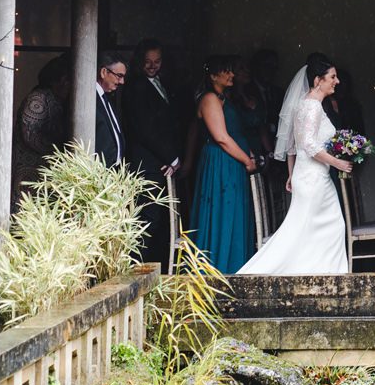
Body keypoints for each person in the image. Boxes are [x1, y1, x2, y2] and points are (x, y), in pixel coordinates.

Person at [240, 54, 354, 275]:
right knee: (324, 229)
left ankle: (320, 275)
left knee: (309, 230)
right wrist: (337, 162)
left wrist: (291, 174)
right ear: (318, 80)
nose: (337, 81)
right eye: (332, 77)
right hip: (314, 178)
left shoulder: (305, 104)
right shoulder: (312, 107)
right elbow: (309, 145)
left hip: (308, 176)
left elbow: (292, 146)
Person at [187, 56, 257, 273]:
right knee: (222, 214)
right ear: (213, 76)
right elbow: (221, 137)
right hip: (221, 164)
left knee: (233, 214)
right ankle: (220, 268)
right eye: (226, 71)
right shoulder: (209, 99)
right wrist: (247, 160)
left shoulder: (223, 98)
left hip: (231, 163)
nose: (232, 75)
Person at [122, 40, 180, 264]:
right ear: (139, 62)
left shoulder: (162, 84)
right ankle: (138, 268)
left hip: (160, 162)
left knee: (158, 219)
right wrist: (172, 158)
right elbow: (144, 129)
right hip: (146, 163)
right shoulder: (135, 87)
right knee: (147, 218)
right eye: (147, 62)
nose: (152, 66)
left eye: (157, 62)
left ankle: (155, 266)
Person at [14, 55, 71, 202]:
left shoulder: (57, 100)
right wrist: (57, 151)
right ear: (61, 80)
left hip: (47, 168)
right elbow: (29, 134)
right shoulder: (38, 98)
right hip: (31, 167)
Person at [92, 52, 128, 166]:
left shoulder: (105, 96)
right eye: (119, 76)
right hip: (97, 172)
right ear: (103, 72)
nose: (122, 82)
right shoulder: (89, 99)